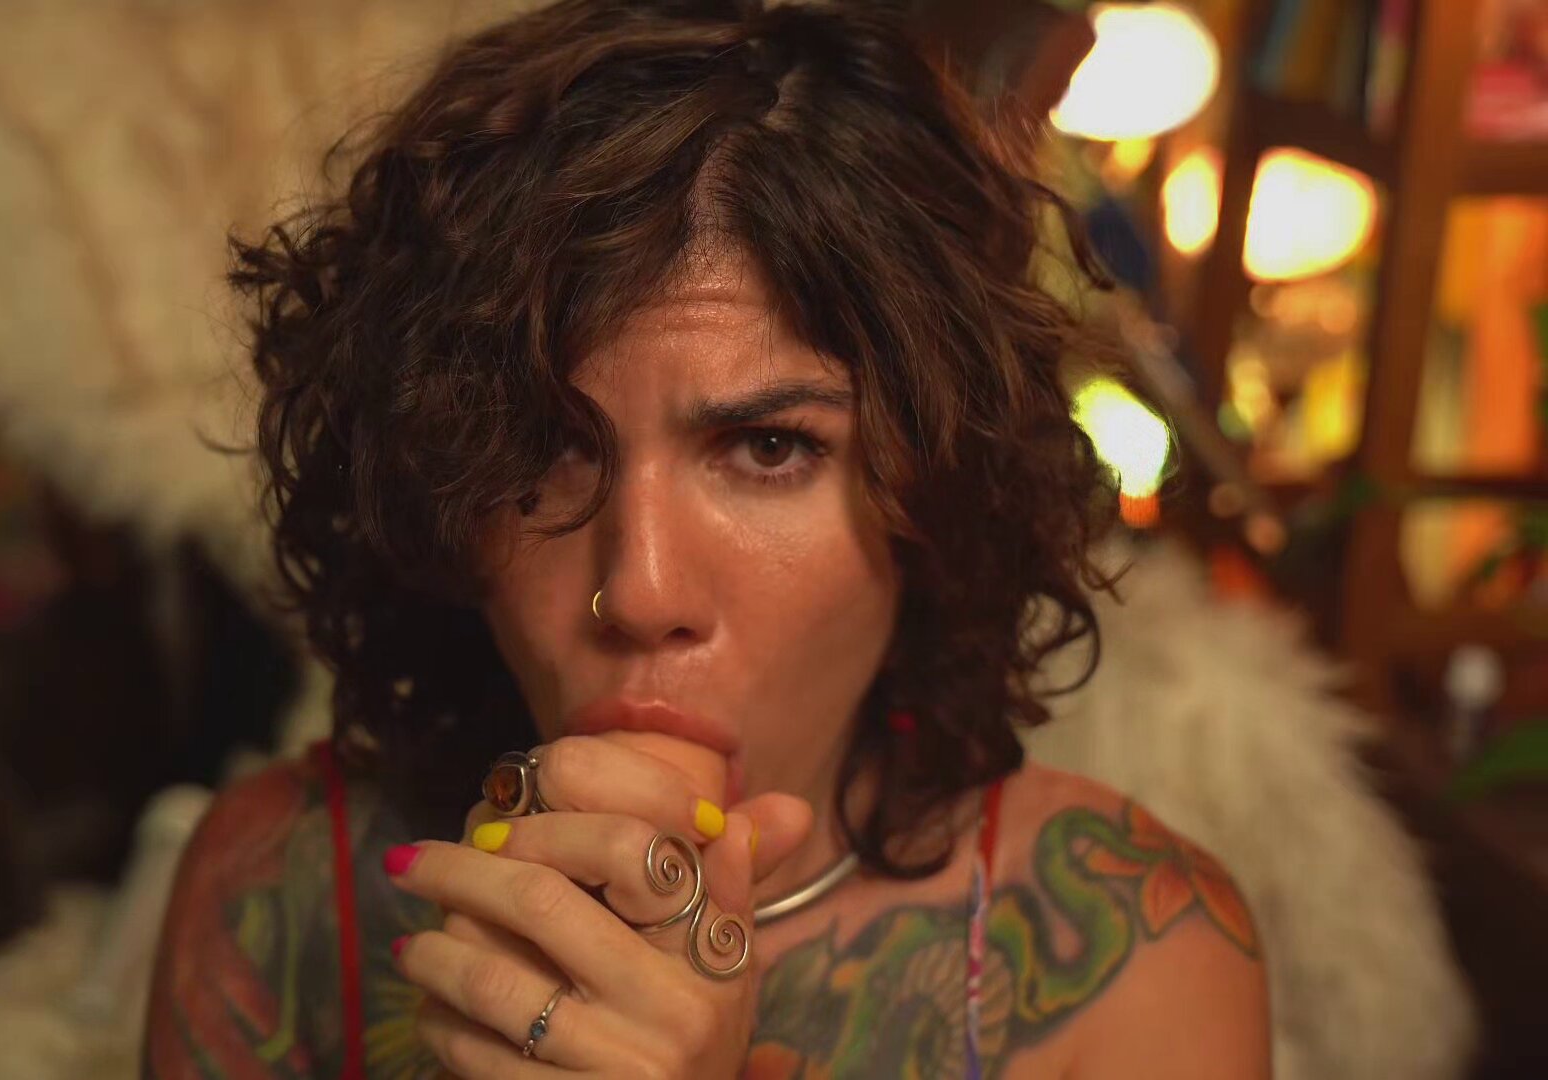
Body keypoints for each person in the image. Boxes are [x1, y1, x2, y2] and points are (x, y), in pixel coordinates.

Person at [143, 1, 1271, 1076]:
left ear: (936, 494)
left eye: (770, 449)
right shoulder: (276, 890)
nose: (640, 592)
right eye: (544, 448)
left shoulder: (1140, 958)